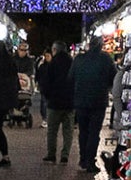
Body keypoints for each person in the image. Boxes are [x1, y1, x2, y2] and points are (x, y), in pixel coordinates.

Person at [70, 34, 117, 172]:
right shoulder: (106, 59)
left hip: (81, 101)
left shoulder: (79, 59)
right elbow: (113, 78)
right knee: (93, 132)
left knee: (83, 131)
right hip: (98, 101)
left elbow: (70, 78)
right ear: (101, 45)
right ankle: (90, 161)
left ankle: (83, 159)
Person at [37, 41, 75, 163]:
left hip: (54, 103)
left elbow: (45, 83)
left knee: (52, 131)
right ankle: (65, 156)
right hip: (69, 103)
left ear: (54, 50)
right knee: (68, 131)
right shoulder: (72, 63)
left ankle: (51, 154)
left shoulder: (52, 64)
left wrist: (48, 97)